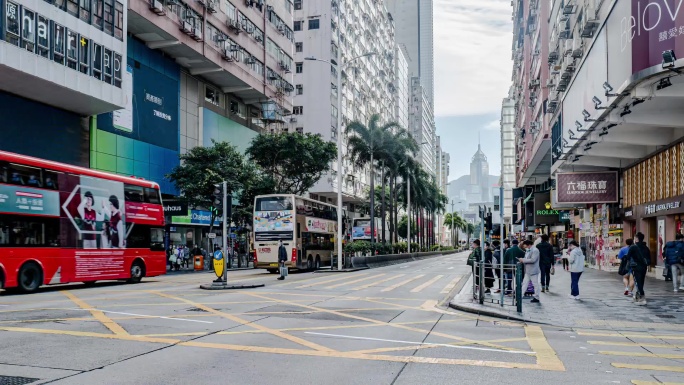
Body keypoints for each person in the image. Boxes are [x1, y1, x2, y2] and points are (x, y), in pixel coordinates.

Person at [627, 232, 651, 305]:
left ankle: (642, 296)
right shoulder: (646, 248)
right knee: (641, 281)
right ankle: (638, 296)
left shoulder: (633, 247)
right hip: (644, 267)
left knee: (638, 281)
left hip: (636, 266)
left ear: (636, 239)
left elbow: (628, 257)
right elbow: (649, 258)